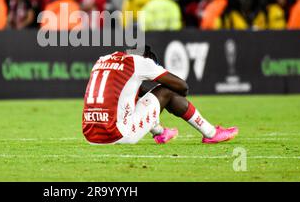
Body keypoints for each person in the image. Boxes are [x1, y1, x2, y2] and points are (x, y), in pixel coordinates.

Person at [82, 46, 239, 145]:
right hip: (116, 135)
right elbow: (182, 87)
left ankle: (160, 133)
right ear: (148, 58)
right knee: (167, 91)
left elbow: (133, 95)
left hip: (90, 135)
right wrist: (169, 98)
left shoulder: (103, 59)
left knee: (134, 97)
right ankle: (211, 133)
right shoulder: (142, 62)